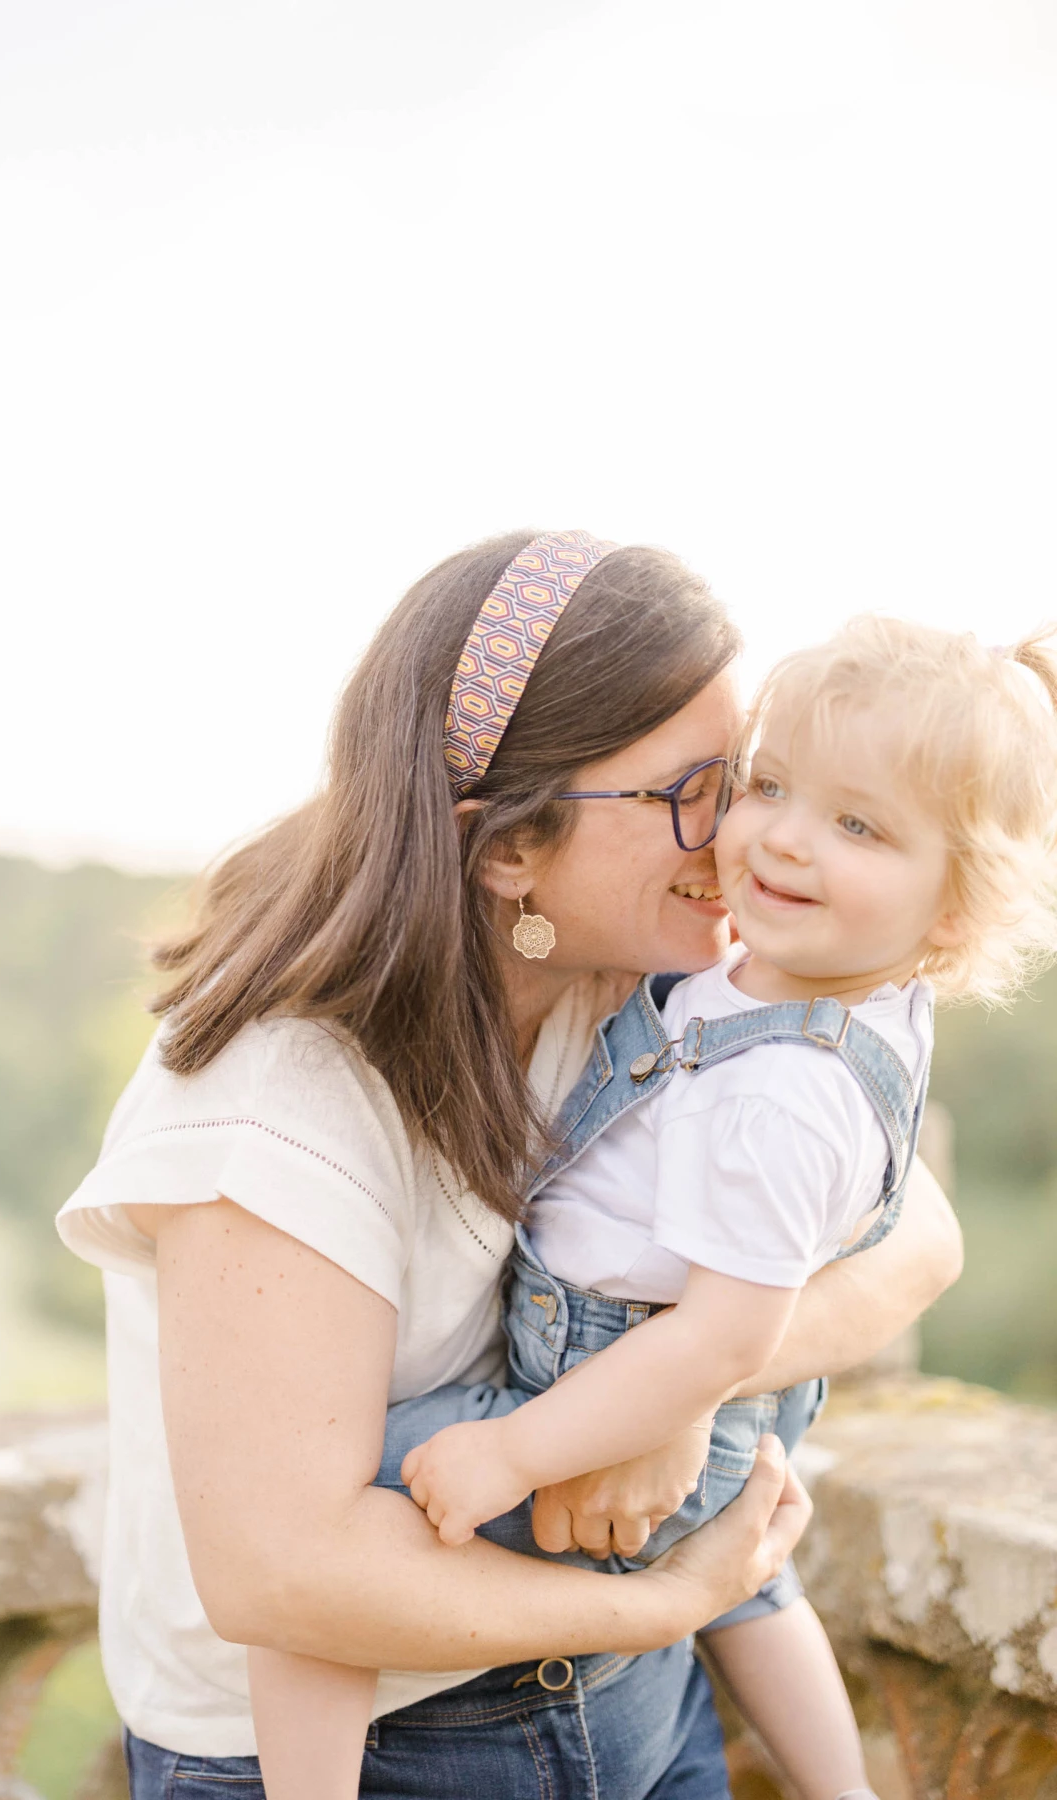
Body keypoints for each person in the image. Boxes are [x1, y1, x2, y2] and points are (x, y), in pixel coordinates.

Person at [57, 532, 964, 1800]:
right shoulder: (280, 1092)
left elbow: (915, 1235)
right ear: (503, 854)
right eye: (690, 793)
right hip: (390, 1746)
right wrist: (665, 1602)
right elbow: (281, 1571)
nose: (741, 840)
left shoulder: (661, 968)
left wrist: (675, 1396)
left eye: (744, 775)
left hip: (632, 1711)